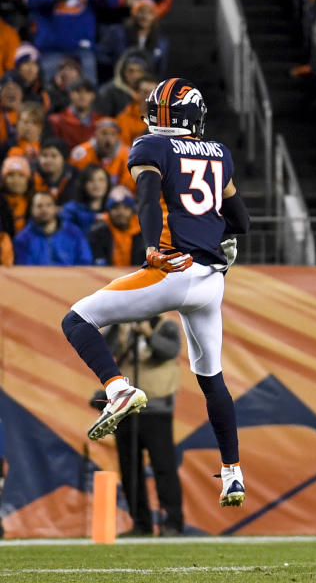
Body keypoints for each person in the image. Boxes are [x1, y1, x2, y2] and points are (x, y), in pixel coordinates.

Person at [60, 78, 251, 508]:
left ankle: (117, 389)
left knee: (77, 319)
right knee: (213, 380)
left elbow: (147, 196)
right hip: (210, 281)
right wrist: (217, 235)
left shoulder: (151, 147)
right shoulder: (220, 153)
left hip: (172, 268)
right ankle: (233, 473)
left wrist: (150, 247)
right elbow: (240, 222)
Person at [96, 315, 184, 535]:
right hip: (126, 410)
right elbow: (104, 352)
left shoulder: (166, 325)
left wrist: (148, 334)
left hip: (157, 410)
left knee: (164, 467)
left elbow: (170, 351)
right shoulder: (121, 325)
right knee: (129, 468)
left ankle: (173, 522)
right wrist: (120, 332)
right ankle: (141, 523)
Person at [14, 190, 93, 265]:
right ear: (31, 210)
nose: (44, 209)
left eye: (48, 205)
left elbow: (85, 261)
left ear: (56, 208)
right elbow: (25, 268)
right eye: (39, 206)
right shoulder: (23, 239)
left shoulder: (74, 233)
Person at [88, 186, 144, 266]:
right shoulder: (98, 233)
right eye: (115, 207)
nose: (121, 212)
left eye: (126, 208)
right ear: (108, 211)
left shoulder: (143, 233)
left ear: (132, 211)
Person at [61, 163, 110, 234]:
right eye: (91, 180)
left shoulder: (113, 210)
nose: (96, 185)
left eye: (101, 180)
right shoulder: (71, 211)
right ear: (83, 184)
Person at [33, 137, 81, 203]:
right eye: (44, 155)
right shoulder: (32, 175)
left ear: (63, 159)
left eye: (54, 156)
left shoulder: (76, 177)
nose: (48, 160)